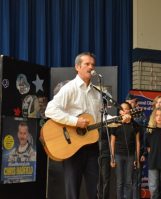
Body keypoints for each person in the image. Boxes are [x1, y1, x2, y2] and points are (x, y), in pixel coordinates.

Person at [45, 52, 102, 199]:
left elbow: (100, 118)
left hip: (91, 146)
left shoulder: (97, 92)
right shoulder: (70, 88)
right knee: (72, 192)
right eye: (87, 64)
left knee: (94, 190)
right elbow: (50, 110)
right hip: (71, 147)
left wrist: (120, 118)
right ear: (77, 67)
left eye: (93, 65)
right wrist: (75, 121)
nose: (91, 67)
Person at [110, 102, 140, 199]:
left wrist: (137, 158)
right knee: (119, 182)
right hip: (118, 155)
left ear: (130, 110)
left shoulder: (134, 125)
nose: (124, 111)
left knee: (128, 182)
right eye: (122, 109)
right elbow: (112, 142)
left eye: (126, 108)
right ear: (119, 112)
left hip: (130, 155)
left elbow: (137, 142)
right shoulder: (115, 124)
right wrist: (112, 158)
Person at [125, 93, 147, 199]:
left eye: (133, 102)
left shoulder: (141, 115)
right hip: (125, 153)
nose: (131, 104)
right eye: (129, 103)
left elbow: (145, 136)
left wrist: (143, 152)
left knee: (137, 181)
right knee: (126, 181)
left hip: (138, 151)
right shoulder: (122, 116)